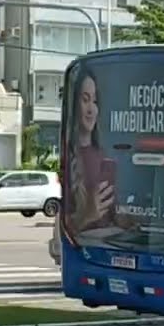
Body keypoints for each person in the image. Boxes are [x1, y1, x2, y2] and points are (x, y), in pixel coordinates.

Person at [64, 67, 117, 236]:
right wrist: (86, 216)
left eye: (94, 101)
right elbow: (64, 228)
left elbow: (111, 214)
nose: (91, 109)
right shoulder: (68, 156)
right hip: (84, 248)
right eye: (85, 100)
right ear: (74, 105)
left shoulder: (104, 155)